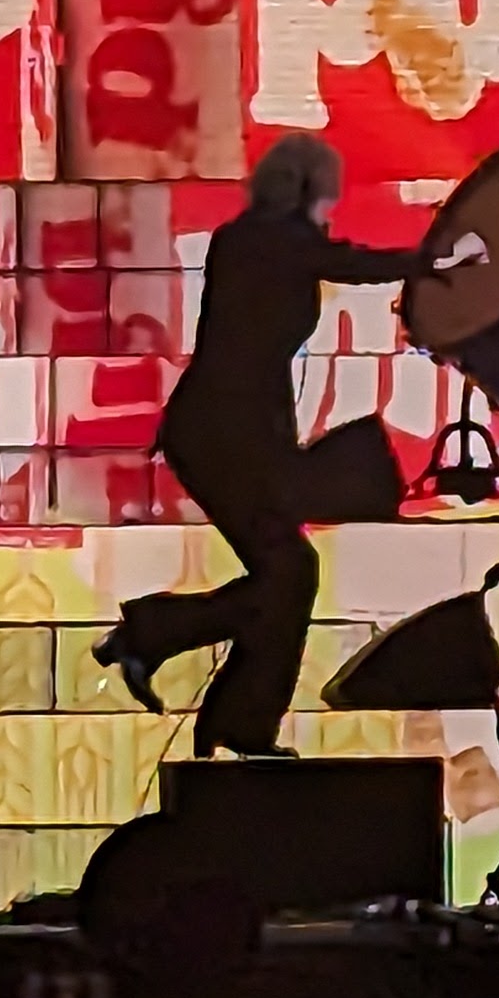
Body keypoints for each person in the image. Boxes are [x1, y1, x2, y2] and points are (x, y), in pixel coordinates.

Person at [96, 135, 424, 758]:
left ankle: (200, 688)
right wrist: (436, 260)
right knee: (289, 575)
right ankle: (183, 670)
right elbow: (349, 263)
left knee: (286, 578)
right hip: (223, 437)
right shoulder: (270, 240)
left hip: (232, 435)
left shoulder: (250, 239)